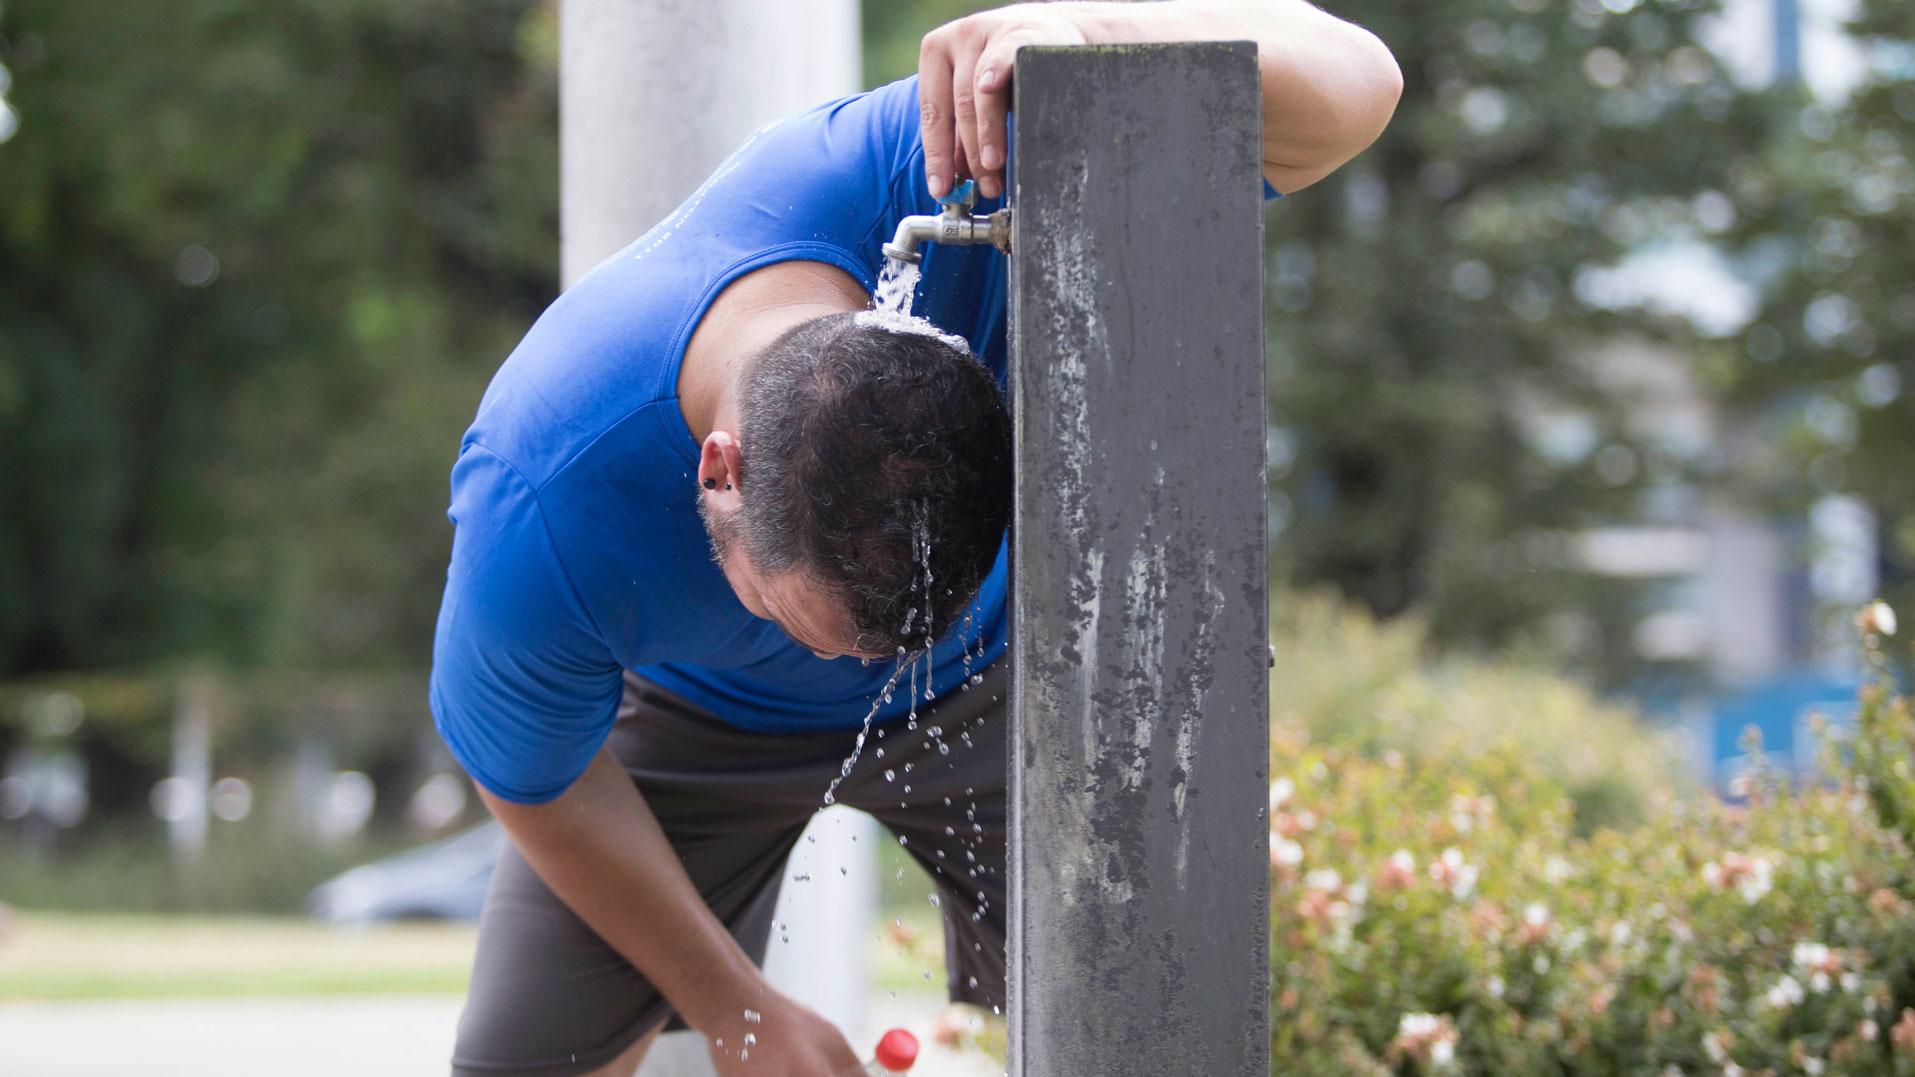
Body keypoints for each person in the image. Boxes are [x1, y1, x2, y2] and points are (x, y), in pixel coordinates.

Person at [430, 3, 1401, 1074]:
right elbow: (531, 777)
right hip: (702, 715)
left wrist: (1088, 26)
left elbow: (1361, 89)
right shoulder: (544, 499)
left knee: (1172, 1006)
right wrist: (734, 1006)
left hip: (988, 681)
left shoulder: (963, 164)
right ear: (719, 472)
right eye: (813, 626)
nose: (865, 671)